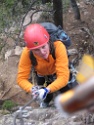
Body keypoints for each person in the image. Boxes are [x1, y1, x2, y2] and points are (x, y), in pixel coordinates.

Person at [17, 23, 70, 108]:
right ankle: (46, 102)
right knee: (46, 97)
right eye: (36, 50)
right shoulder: (27, 53)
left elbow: (63, 77)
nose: (42, 52)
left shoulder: (58, 46)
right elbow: (21, 78)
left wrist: (48, 89)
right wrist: (33, 89)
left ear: (48, 41)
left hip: (57, 72)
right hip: (42, 75)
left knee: (67, 91)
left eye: (43, 47)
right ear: (31, 50)